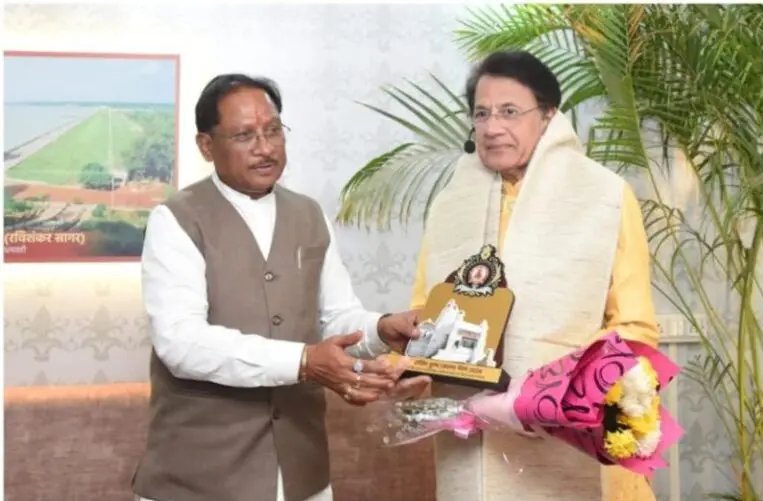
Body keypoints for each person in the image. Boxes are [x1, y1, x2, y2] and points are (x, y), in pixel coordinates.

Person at [131, 73, 429, 501]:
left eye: (273, 130)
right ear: (206, 146)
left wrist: (381, 330)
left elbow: (335, 318)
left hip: (302, 474)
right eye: (245, 136)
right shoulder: (175, 219)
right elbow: (181, 342)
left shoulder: (309, 214)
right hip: (199, 480)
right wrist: (303, 362)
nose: (265, 148)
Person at [409, 51, 661, 501]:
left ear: (548, 116)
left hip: (570, 437)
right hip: (469, 443)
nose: (492, 127)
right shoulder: (449, 206)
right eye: (481, 114)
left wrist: (543, 396)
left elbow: (635, 329)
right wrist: (402, 365)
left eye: (509, 111)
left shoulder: (604, 196)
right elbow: (422, 316)